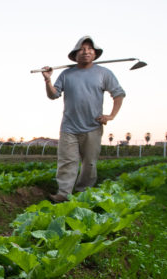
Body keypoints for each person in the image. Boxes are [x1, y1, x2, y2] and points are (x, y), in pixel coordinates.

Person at [42, 35, 125, 203]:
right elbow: (53, 95)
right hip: (69, 127)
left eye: (89, 49)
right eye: (82, 49)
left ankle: (82, 193)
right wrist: (48, 80)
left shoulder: (104, 73)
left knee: (90, 164)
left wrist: (111, 115)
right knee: (67, 161)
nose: (86, 51)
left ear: (94, 54)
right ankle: (63, 194)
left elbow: (118, 94)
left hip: (93, 126)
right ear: (75, 54)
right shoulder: (66, 74)